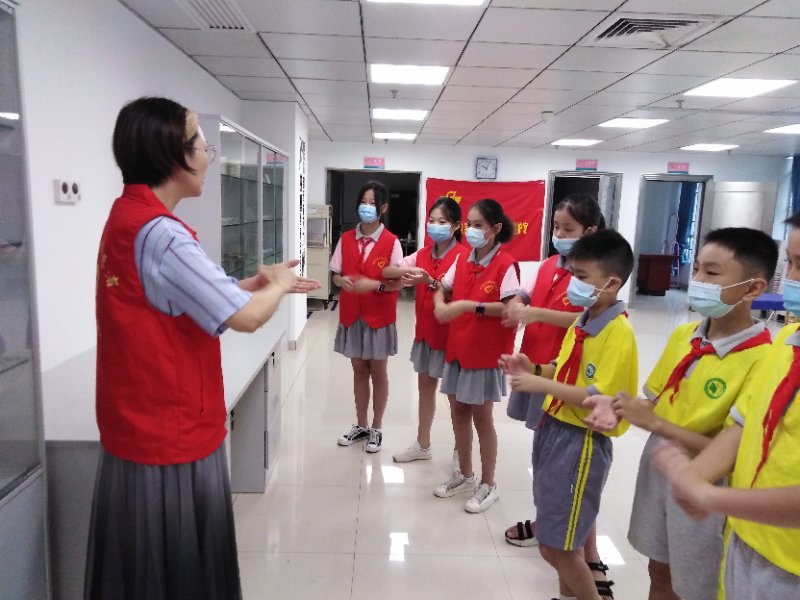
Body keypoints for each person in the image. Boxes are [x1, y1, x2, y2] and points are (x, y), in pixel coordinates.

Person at [88, 97, 318, 600]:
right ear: (171, 154)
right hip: (169, 435)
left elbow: (174, 293)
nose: (208, 158)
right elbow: (248, 319)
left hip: (134, 425)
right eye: (201, 146)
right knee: (176, 571)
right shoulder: (166, 236)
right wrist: (278, 285)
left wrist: (250, 283)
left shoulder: (127, 217)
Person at [613, 227, 776, 600]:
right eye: (698, 269)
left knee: (696, 585)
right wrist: (620, 408)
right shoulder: (685, 335)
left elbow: (735, 451)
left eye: (712, 273)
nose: (698, 280)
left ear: (752, 288)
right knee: (658, 570)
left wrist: (658, 424)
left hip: (708, 484)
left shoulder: (763, 359)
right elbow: (656, 403)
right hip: (660, 469)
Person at [655, 214, 800, 600]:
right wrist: (693, 477)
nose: (791, 278)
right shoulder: (789, 339)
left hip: (791, 562)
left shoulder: (760, 350)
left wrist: (713, 496)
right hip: (746, 536)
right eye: (791, 262)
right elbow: (745, 423)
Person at [503, 229, 637, 600]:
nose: (571, 284)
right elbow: (564, 370)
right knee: (558, 536)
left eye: (580, 276)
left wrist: (540, 384)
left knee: (556, 547)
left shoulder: (618, 332)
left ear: (611, 283)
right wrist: (534, 369)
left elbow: (597, 397)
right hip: (554, 428)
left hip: (581, 442)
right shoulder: (583, 320)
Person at [502, 193, 604, 549]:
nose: (559, 235)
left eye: (568, 229)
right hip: (539, 368)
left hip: (568, 379)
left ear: (590, 231)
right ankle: (546, 521)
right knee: (544, 453)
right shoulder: (549, 264)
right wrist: (518, 303)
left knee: (569, 466)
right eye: (557, 227)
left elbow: (587, 318)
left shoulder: (593, 276)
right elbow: (527, 294)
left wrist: (537, 314)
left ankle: (584, 546)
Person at [432, 198, 519, 514]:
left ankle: (489, 483)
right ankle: (465, 474)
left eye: (478, 225)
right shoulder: (463, 259)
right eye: (469, 224)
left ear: (495, 229)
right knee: (458, 412)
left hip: (484, 354)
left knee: (482, 418)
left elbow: (509, 308)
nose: (472, 230)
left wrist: (469, 306)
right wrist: (440, 303)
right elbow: (442, 287)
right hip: (458, 349)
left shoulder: (506, 264)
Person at [382, 196, 467, 464]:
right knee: (425, 388)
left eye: (442, 222)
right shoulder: (421, 254)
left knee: (456, 399)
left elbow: (459, 294)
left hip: (452, 336)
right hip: (427, 333)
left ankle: (461, 454)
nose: (435, 226)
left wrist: (430, 280)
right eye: (431, 221)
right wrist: (403, 273)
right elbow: (388, 271)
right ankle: (423, 443)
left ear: (455, 226)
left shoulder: (464, 257)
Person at [331, 181, 404, 453]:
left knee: (378, 372)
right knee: (359, 371)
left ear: (383, 208)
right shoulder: (346, 239)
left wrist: (375, 285)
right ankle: (361, 425)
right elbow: (336, 274)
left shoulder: (392, 242)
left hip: (379, 318)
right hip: (352, 315)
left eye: (372, 203)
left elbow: (399, 283)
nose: (366, 207)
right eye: (363, 201)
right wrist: (341, 281)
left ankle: (377, 427)